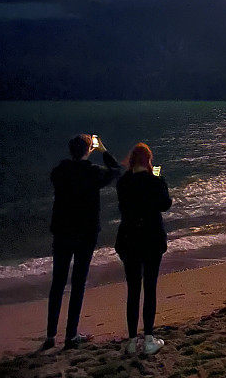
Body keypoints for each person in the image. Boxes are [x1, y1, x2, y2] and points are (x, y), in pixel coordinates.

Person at [43, 133, 120, 350]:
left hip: (62, 232)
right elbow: (117, 171)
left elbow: (57, 177)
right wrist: (103, 150)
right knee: (78, 283)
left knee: (57, 283)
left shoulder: (60, 172)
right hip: (85, 234)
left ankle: (50, 336)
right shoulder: (93, 173)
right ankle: (70, 335)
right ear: (88, 150)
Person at [115, 142, 172, 356]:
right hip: (151, 239)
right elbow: (165, 205)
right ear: (149, 161)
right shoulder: (154, 182)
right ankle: (148, 337)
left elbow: (124, 206)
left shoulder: (123, 183)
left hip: (129, 239)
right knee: (149, 288)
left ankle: (131, 340)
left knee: (133, 290)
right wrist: (160, 180)